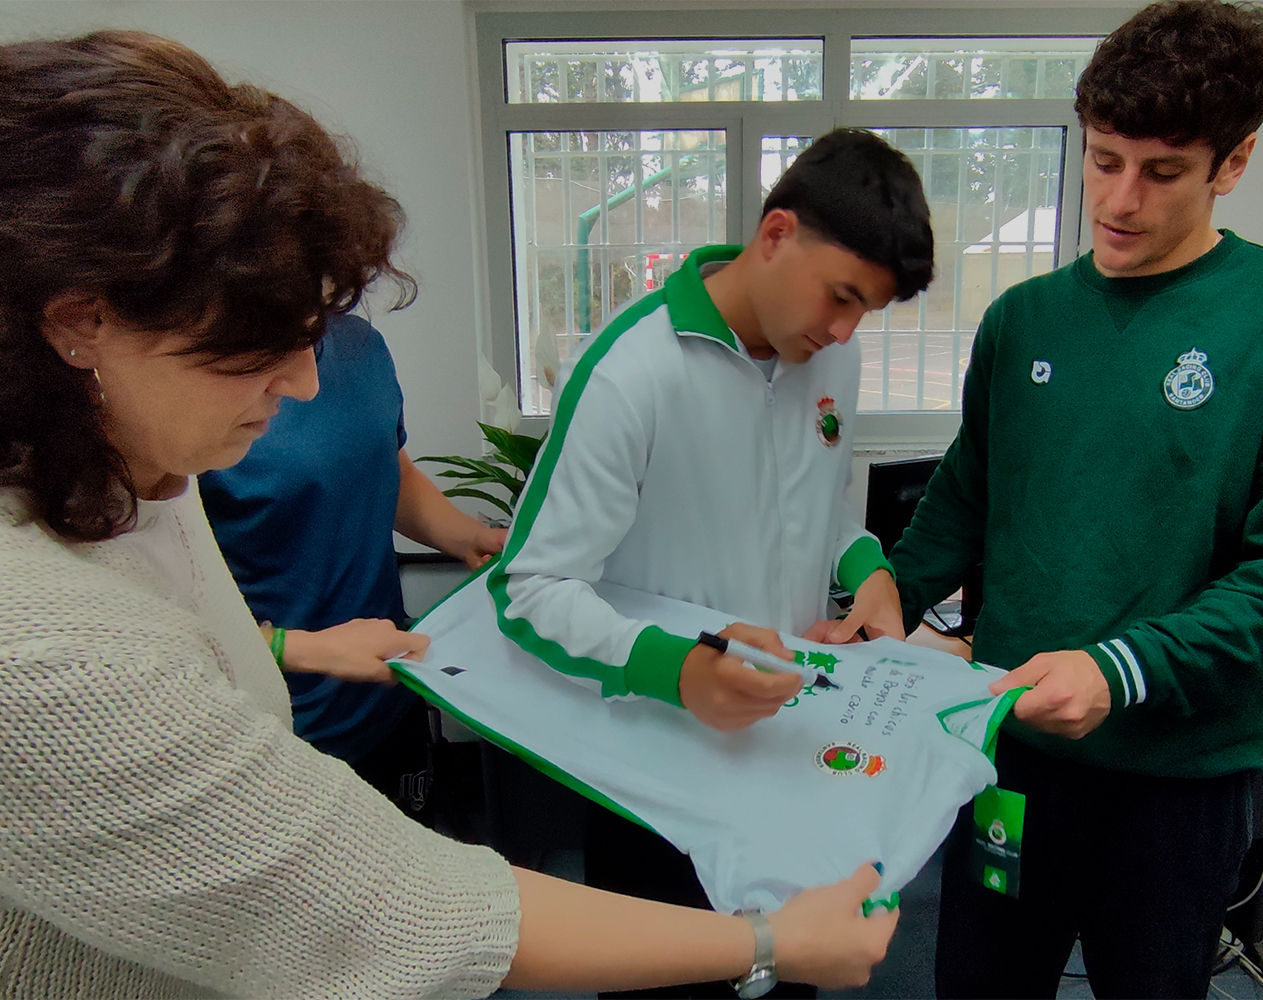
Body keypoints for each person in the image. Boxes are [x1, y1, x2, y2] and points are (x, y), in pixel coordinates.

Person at [0, 30, 896, 998]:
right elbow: (401, 907)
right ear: (79, 321)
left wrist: (861, 562)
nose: (303, 383)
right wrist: (768, 942)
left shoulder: (142, 470)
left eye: (311, 337)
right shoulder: (51, 654)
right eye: (255, 347)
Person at [888, 2, 1263, 997]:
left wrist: (1119, 668)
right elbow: (969, 490)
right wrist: (889, 592)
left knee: (1149, 986)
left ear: (1232, 163)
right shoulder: (1025, 317)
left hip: (1179, 773)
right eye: (1103, 158)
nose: (1119, 198)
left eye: (1160, 172)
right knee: (982, 980)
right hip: (1013, 753)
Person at [487, 126, 934, 996]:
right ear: (775, 234)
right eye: (839, 297)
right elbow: (528, 586)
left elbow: (817, 499)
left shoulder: (827, 351)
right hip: (660, 773)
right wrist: (677, 670)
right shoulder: (634, 372)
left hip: (790, 755)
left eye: (864, 313)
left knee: (798, 972)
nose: (844, 330)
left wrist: (869, 568)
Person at [199, 310, 507, 818]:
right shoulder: (190, 387)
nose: (305, 381)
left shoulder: (360, 344)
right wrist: (300, 648)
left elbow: (388, 467)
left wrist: (468, 535)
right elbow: (146, 622)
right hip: (277, 729)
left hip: (387, 691)